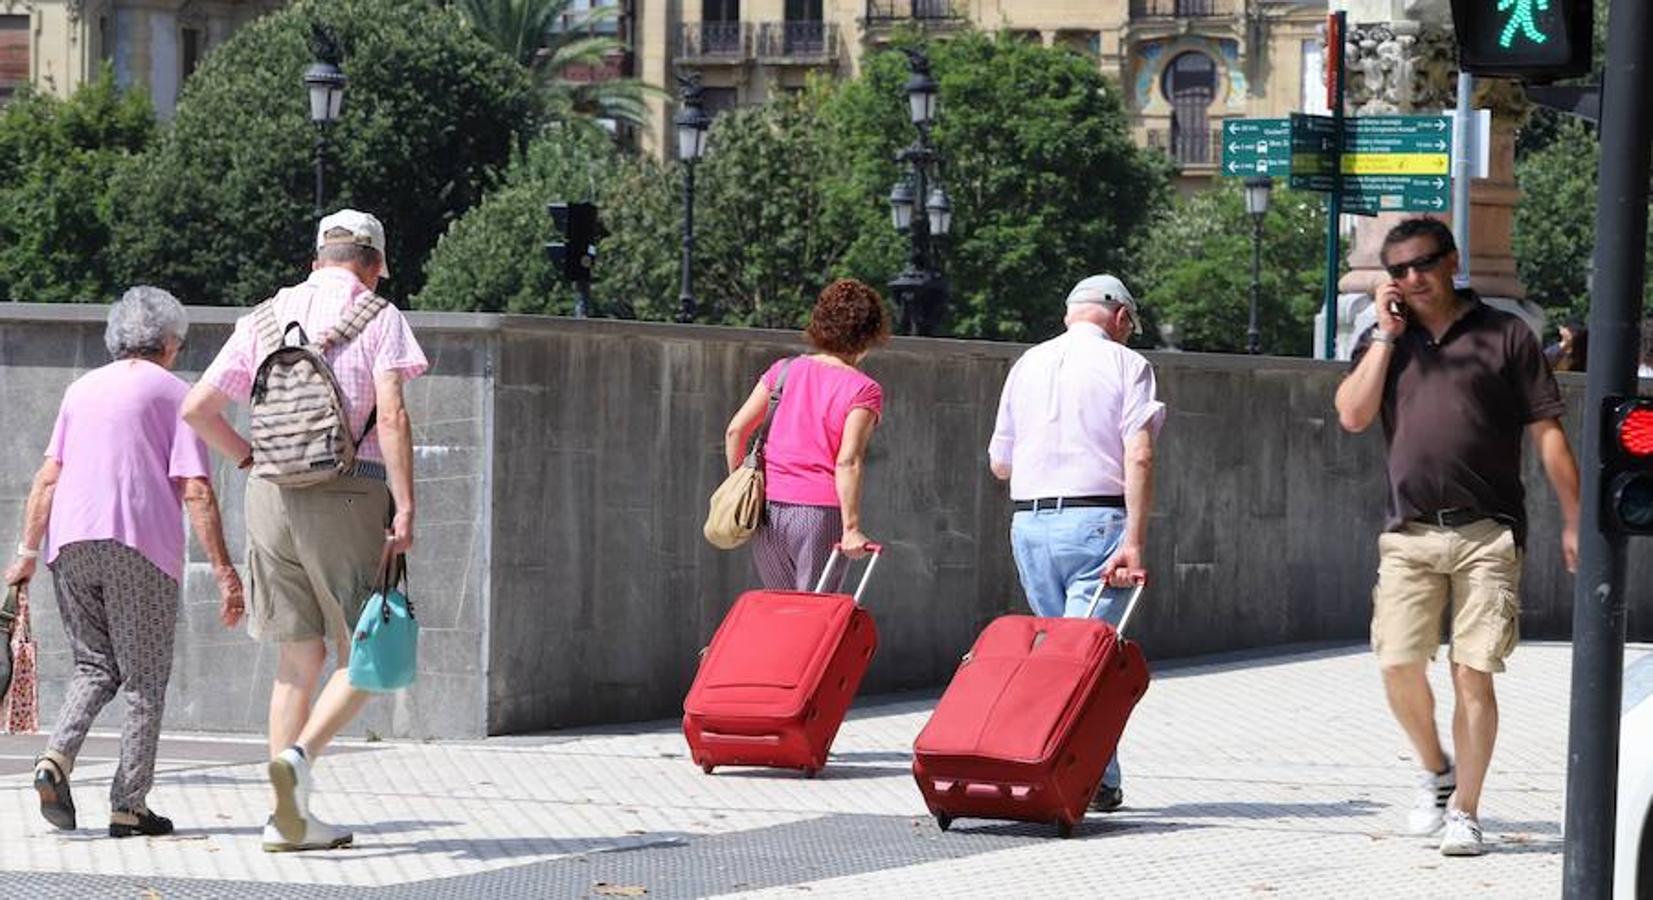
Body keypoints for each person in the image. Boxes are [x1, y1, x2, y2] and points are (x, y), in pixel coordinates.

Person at [182, 209, 428, 853]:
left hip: (268, 494)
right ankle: (301, 757)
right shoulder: (379, 316)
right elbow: (393, 416)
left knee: (296, 658)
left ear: (318, 257)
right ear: (373, 265)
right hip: (349, 490)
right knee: (369, 651)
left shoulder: (262, 318)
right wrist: (404, 505)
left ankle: (285, 819)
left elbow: (197, 409)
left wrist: (246, 458)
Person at [1334, 218, 1580, 857]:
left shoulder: (1506, 336)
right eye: (1399, 271)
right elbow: (1353, 415)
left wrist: (1576, 518)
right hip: (1409, 533)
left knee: (1473, 673)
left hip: (1487, 534)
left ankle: (1466, 811)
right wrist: (1386, 337)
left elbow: (1548, 433)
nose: (1412, 278)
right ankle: (1436, 771)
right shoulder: (1389, 339)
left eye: (1423, 264)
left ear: (1452, 261)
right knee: (1396, 662)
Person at [3, 287, 243, 838]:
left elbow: (47, 478)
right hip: (139, 547)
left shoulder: (80, 390)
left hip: (70, 546)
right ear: (170, 343)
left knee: (94, 666)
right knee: (143, 681)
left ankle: (55, 759)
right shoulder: (176, 394)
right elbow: (197, 490)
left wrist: (25, 555)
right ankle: (128, 804)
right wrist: (227, 572)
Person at [986, 274, 1165, 813]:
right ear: (1120, 317)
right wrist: (1134, 539)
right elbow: (1139, 456)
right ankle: (1070, 773)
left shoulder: (1026, 365)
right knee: (1086, 661)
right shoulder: (1127, 365)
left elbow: (1000, 464)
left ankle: (1098, 779)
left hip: (1031, 525)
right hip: (1096, 524)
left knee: (1064, 660)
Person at [723, 279, 889, 589]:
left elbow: (736, 431)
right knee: (815, 618)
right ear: (869, 335)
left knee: (783, 613)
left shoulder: (782, 371)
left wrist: (742, 490)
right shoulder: (863, 389)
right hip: (819, 512)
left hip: (767, 510)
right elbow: (848, 461)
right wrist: (851, 527)